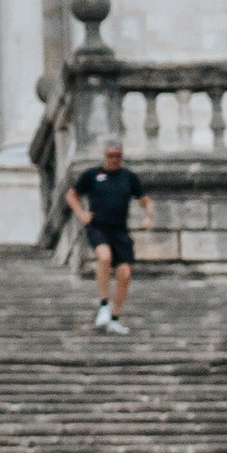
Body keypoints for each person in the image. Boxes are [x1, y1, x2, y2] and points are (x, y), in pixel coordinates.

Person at [67, 132, 152, 331]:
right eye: (111, 155)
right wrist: (81, 214)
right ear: (104, 155)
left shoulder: (129, 177)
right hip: (98, 227)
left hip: (119, 231)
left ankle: (114, 317)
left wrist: (148, 216)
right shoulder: (92, 175)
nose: (114, 160)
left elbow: (145, 200)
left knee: (124, 273)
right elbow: (71, 195)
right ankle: (104, 305)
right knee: (104, 257)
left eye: (118, 156)